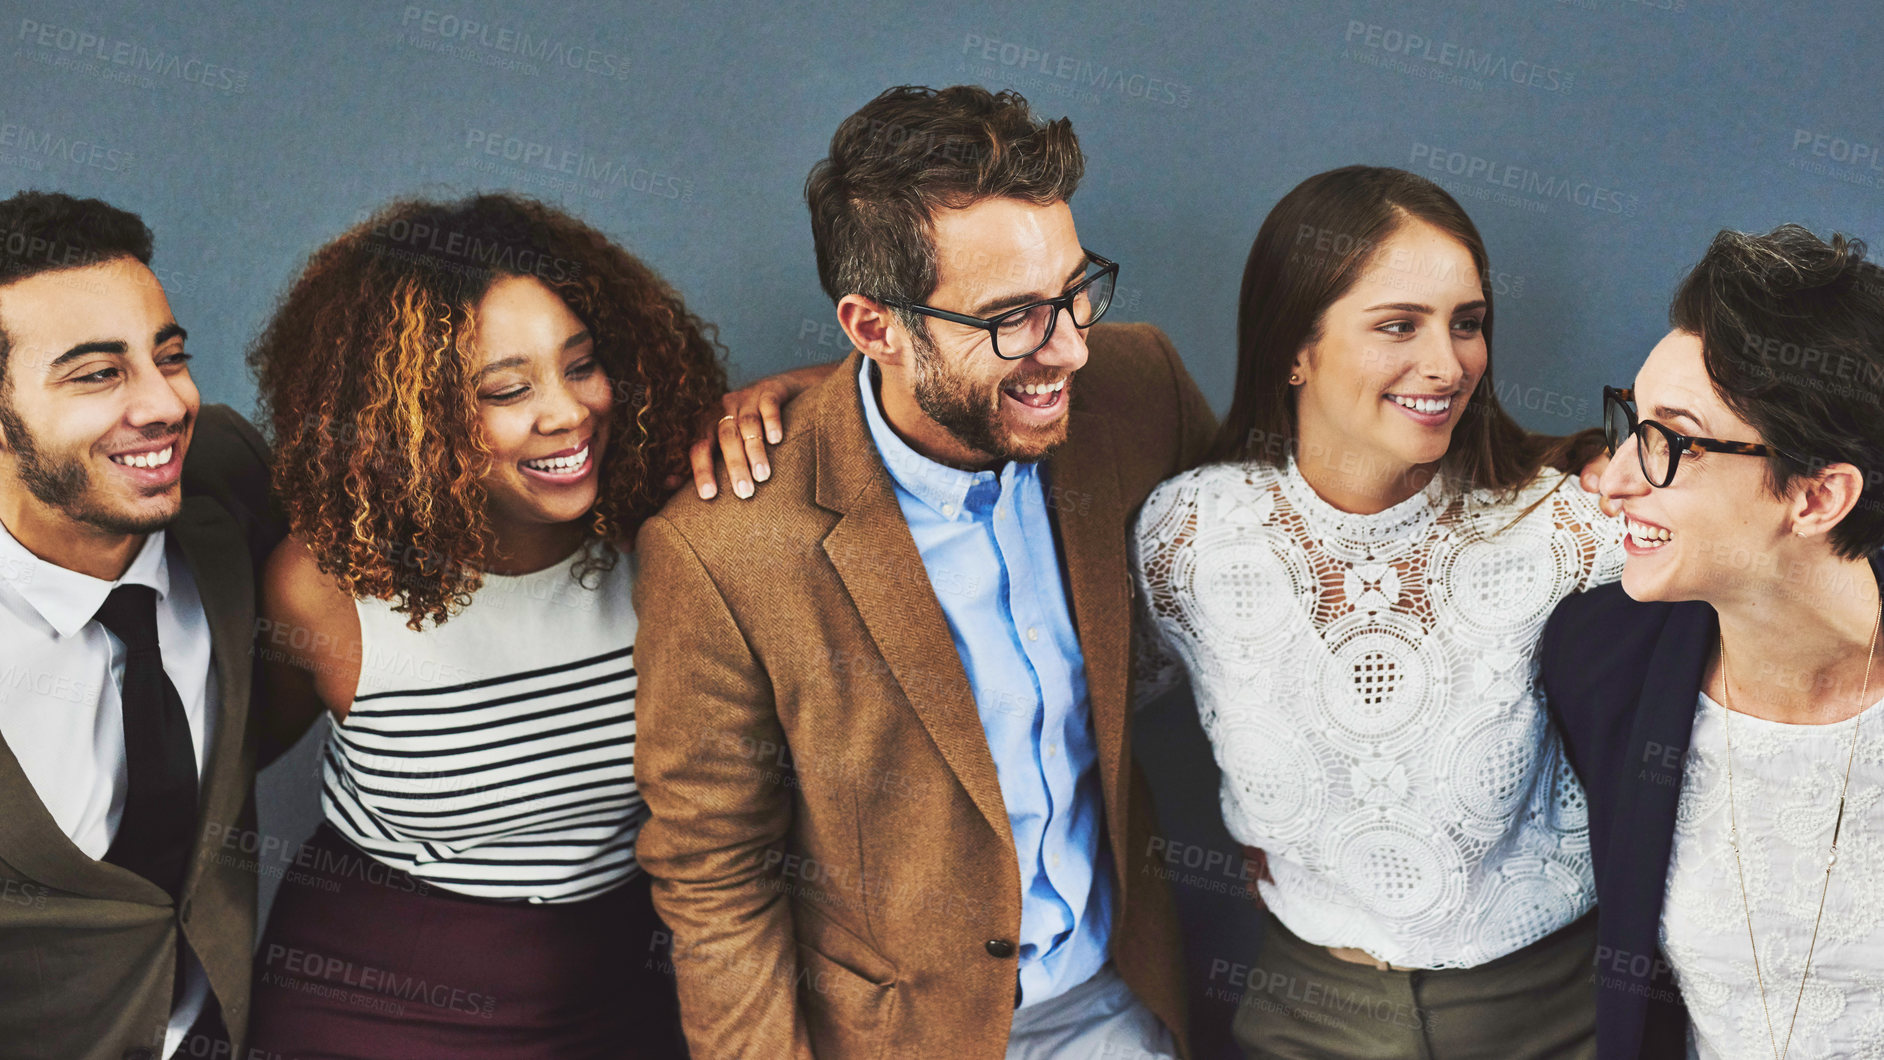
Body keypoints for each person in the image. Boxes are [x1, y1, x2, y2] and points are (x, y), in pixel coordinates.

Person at [630, 84, 1215, 1058]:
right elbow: (712, 875)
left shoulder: (1136, 387)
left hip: (1123, 1006)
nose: (1070, 344)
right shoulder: (723, 548)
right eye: (1014, 316)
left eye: (1077, 289)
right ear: (873, 329)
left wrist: (1552, 465)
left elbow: (1317, 504)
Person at [1132, 166, 1618, 1058]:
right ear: (1295, 346)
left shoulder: (1564, 525)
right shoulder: (1190, 530)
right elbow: (1086, 706)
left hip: (1556, 1014)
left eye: (1466, 324)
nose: (1447, 364)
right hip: (1307, 1014)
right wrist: (839, 391)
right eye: (1399, 324)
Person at [243, 193, 730, 1059]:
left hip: (625, 992)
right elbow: (215, 764)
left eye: (581, 366)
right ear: (408, 423)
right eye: (508, 389)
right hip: (370, 1003)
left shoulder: (672, 533)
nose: (568, 413)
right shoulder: (326, 585)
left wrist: (785, 395)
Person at [1541, 225, 1884, 1059]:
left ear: (1815, 497)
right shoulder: (1600, 662)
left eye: (1673, 442)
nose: (1617, 477)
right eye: (1632, 420)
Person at [0, 190, 282, 1059]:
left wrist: (714, 424)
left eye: (170, 356)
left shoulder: (230, 483)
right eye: (96, 373)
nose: (165, 404)